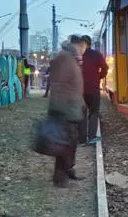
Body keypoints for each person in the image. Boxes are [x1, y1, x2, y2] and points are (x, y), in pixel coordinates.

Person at [47, 35, 87, 188]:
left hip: (73, 108)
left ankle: (68, 169)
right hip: (65, 109)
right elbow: (59, 85)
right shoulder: (65, 58)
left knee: (71, 142)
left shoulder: (72, 58)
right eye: (83, 47)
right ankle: (60, 176)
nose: (84, 51)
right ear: (77, 45)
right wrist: (61, 107)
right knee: (64, 143)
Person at [81, 35, 108, 145]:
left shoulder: (76, 55)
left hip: (80, 90)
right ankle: (91, 137)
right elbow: (105, 68)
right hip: (93, 89)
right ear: (90, 43)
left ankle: (82, 139)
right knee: (93, 112)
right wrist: (99, 76)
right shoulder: (96, 54)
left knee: (81, 114)